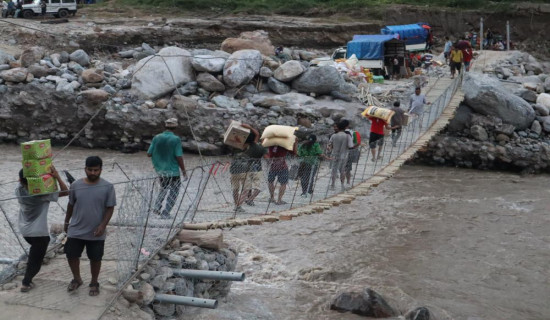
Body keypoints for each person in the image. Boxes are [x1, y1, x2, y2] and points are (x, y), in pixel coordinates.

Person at [64, 156, 116, 296]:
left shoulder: (108, 187)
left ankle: (94, 282)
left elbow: (110, 208)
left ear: (101, 170)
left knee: (95, 258)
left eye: (96, 170)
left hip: (96, 231)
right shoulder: (75, 185)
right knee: (71, 254)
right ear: (85, 169)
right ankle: (77, 278)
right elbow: (71, 204)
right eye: (90, 170)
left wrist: (103, 225)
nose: (93, 173)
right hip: (76, 229)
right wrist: (66, 221)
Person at [16, 166, 69, 292]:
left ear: (20, 180)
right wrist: (55, 176)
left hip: (24, 230)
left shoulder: (18, 190)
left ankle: (27, 280)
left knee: (34, 256)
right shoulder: (40, 194)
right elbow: (66, 191)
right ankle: (26, 283)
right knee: (36, 261)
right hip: (38, 233)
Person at [147, 118, 187, 219]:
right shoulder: (176, 139)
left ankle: (156, 207)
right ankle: (166, 213)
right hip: (173, 172)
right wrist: (184, 171)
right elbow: (179, 156)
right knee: (174, 192)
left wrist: (159, 160)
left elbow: (149, 153)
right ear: (176, 127)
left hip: (161, 171)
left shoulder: (156, 137)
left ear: (165, 126)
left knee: (163, 188)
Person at [229, 124, 266, 212]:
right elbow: (257, 134)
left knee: (235, 188)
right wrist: (249, 127)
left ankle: (236, 204)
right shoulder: (252, 147)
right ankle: (238, 205)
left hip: (233, 169)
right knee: (246, 189)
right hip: (244, 170)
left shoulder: (236, 145)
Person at [267, 141, 296, 205]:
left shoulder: (271, 145)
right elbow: (293, 153)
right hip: (282, 166)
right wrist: (295, 142)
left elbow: (270, 155)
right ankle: (279, 200)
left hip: (273, 165)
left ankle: (272, 197)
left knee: (270, 181)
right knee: (283, 183)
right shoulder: (284, 145)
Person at [328, 120, 353, 191]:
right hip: (344, 155)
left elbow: (329, 145)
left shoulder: (334, 135)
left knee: (334, 170)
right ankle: (342, 185)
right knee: (342, 170)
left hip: (334, 155)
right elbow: (350, 145)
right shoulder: (347, 136)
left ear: (338, 128)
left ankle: (332, 185)